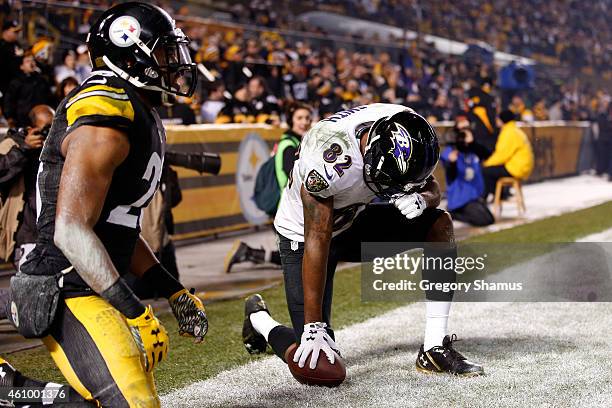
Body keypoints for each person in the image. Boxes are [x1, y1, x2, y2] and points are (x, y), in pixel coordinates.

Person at [0, 4, 208, 407]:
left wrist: (173, 291)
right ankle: (15, 393)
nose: (176, 63)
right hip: (65, 284)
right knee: (133, 402)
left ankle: (18, 391)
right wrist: (134, 311)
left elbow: (118, 228)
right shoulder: (105, 115)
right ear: (133, 54)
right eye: (165, 53)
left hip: (90, 282)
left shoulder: (135, 108)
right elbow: (71, 231)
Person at [241, 104, 484, 376]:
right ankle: (259, 319)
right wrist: (313, 327)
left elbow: (432, 189)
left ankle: (434, 348)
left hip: (353, 220)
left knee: (439, 224)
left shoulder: (405, 128)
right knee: (322, 369)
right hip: (304, 235)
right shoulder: (327, 155)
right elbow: (318, 236)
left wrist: (421, 199)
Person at [225, 102, 313, 273]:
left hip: (286, 209)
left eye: (308, 118)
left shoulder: (292, 142)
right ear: (291, 120)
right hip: (287, 209)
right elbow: (291, 178)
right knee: (298, 256)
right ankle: (248, 253)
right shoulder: (289, 145)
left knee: (300, 255)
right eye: (300, 118)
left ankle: (248, 253)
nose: (304, 122)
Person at [0, 105, 54, 267]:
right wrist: (25, 148)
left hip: (53, 229)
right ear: (31, 128)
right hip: (27, 232)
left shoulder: (56, 146)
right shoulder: (12, 144)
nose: (50, 134)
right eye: (45, 129)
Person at [440, 116, 494, 226]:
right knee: (483, 221)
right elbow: (451, 173)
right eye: (461, 130)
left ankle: (455, 213)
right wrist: (452, 163)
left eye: (467, 128)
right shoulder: (451, 151)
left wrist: (472, 142)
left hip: (474, 197)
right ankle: (452, 213)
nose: (464, 132)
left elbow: (488, 155)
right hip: (460, 198)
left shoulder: (473, 149)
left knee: (490, 219)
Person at [482, 110, 534, 198]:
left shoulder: (508, 133)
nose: (496, 120)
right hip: (522, 167)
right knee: (492, 171)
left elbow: (501, 156)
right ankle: (501, 194)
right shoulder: (515, 130)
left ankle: (497, 195)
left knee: (484, 171)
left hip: (516, 168)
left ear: (503, 120)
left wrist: (486, 164)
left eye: (498, 118)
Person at [3, 52, 53, 128]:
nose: (31, 63)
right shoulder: (16, 82)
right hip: (23, 120)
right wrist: (9, 117)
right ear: (21, 66)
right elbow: (9, 100)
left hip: (42, 119)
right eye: (27, 61)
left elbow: (50, 97)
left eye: (32, 60)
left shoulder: (41, 80)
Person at [0, 20, 24, 106]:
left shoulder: (17, 45)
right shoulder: (1, 46)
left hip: (17, 85)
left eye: (18, 32)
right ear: (5, 31)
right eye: (15, 32)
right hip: (3, 84)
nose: (17, 34)